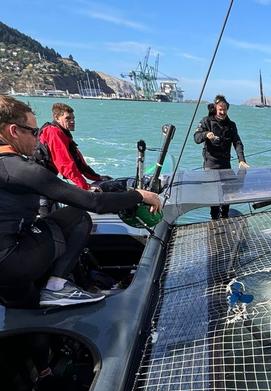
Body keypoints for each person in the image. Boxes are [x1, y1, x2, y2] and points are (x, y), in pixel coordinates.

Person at [0, 95, 161, 308]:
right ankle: (56, 288)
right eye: (33, 132)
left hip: (8, 260)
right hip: (11, 263)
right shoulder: (18, 168)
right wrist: (139, 195)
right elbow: (94, 203)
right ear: (13, 131)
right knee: (77, 216)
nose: (39, 139)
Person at [193, 94, 249, 219]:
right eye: (220, 109)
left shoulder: (231, 125)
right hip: (211, 165)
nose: (223, 112)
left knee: (227, 196)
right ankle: (214, 220)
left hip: (225, 164)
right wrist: (206, 134)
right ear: (215, 108)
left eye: (225, 109)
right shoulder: (206, 121)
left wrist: (241, 160)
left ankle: (225, 217)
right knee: (214, 198)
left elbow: (237, 143)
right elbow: (196, 138)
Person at [38, 103, 110, 190]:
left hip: (46, 178)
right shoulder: (53, 132)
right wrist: (85, 187)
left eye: (73, 118)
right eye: (68, 118)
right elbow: (65, 163)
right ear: (57, 118)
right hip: (39, 181)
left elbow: (79, 161)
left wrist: (96, 177)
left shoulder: (63, 133)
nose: (72, 121)